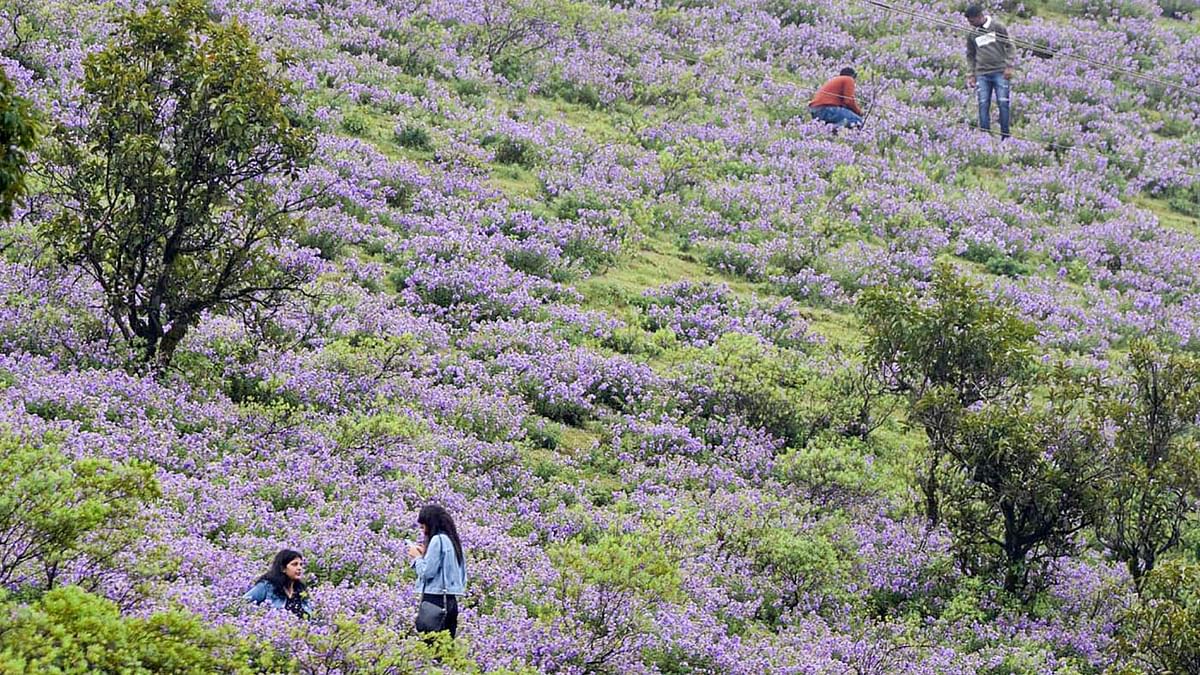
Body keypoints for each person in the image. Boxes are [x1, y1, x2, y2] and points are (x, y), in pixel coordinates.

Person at [408, 504, 467, 638]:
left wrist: (417, 558)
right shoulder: (453, 540)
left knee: (430, 646)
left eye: (423, 527)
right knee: (445, 646)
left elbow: (426, 573)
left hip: (435, 600)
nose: (423, 531)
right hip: (451, 601)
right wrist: (425, 555)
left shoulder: (437, 540)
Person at [965, 5, 1016, 138]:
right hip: (982, 74)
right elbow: (970, 55)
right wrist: (971, 74)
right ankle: (985, 135)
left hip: (1000, 72)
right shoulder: (972, 34)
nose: (970, 24)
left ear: (979, 17)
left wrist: (1009, 65)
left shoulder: (997, 27)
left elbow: (1010, 46)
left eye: (971, 21)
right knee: (983, 103)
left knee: (1003, 102)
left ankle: (1005, 135)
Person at [244, 549, 310, 618]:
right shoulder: (267, 587)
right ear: (283, 568)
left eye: (301, 564)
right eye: (294, 564)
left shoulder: (301, 591)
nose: (299, 568)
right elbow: (243, 603)